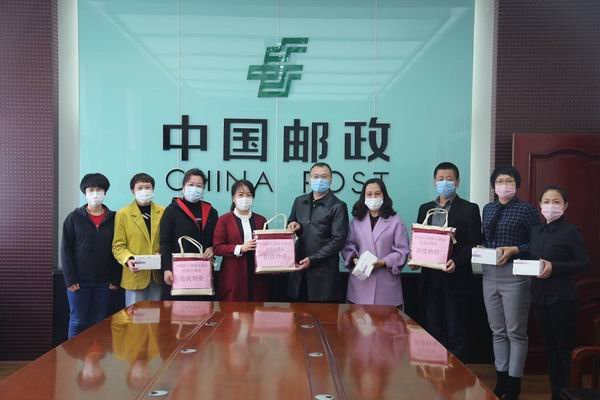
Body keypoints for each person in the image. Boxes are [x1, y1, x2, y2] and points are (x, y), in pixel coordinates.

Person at [482, 165, 540, 400]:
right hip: (489, 273)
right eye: (499, 181)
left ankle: (514, 384)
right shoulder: (488, 209)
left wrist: (515, 249)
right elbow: (487, 239)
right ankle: (501, 380)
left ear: (517, 185)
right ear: (493, 186)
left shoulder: (526, 210)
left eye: (509, 181)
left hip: (515, 274)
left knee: (515, 332)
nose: (504, 185)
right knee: (497, 330)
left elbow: (537, 243)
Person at [414, 162, 481, 362]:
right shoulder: (425, 208)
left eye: (449, 179)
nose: (445, 183)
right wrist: (416, 258)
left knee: (456, 329)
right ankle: (436, 371)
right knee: (433, 328)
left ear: (457, 182)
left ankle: (456, 373)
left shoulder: (469, 209)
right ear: (434, 182)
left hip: (456, 278)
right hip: (430, 278)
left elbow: (473, 242)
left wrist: (456, 262)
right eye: (441, 179)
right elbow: (420, 239)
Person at [528, 185, 590, 400]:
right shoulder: (536, 231)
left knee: (565, 350)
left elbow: (584, 263)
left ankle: (569, 394)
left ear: (565, 206)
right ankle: (556, 393)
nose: (550, 206)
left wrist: (555, 267)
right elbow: (532, 258)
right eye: (546, 201)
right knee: (550, 350)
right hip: (539, 297)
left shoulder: (571, 231)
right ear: (540, 205)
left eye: (556, 202)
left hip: (562, 298)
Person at [61, 173, 121, 338]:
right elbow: (66, 250)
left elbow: (119, 248)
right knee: (77, 321)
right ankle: (74, 355)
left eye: (99, 189)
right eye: (91, 190)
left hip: (105, 282)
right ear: (85, 193)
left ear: (105, 192)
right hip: (79, 282)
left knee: (99, 322)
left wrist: (116, 278)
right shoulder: (73, 218)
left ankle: (95, 355)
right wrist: (70, 280)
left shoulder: (115, 218)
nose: (95, 194)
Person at [341, 178, 409, 307]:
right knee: (357, 319)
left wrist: (384, 262)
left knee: (386, 320)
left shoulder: (396, 221)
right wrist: (354, 259)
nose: (373, 197)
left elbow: (402, 251)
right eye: (369, 194)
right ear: (364, 197)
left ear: (384, 195)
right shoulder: (356, 221)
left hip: (386, 284)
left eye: (377, 194)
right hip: (360, 283)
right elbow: (347, 246)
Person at [287, 162, 349, 302]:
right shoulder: (299, 201)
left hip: (324, 276)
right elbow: (291, 222)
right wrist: (292, 225)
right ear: (309, 179)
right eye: (315, 176)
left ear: (331, 179)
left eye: (324, 176)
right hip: (298, 271)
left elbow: (338, 240)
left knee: (322, 315)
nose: (319, 180)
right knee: (296, 314)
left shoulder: (338, 206)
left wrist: (312, 259)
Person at [159, 168, 218, 299]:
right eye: (191, 184)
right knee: (179, 309)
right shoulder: (171, 211)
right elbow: (165, 242)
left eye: (199, 186)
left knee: (204, 308)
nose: (194, 188)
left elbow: (217, 238)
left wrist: (213, 248)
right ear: (183, 187)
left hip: (203, 272)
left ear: (203, 189)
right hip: (179, 272)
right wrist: (167, 268)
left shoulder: (211, 212)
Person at [112, 173, 164, 307]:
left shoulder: (163, 212)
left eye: (148, 187)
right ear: (132, 191)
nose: (144, 191)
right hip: (135, 274)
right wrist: (128, 259)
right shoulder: (123, 214)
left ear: (153, 189)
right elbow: (118, 246)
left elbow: (167, 240)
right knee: (135, 316)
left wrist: (163, 253)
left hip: (157, 275)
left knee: (157, 316)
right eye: (140, 188)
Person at [213, 180, 269, 301]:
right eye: (241, 195)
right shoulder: (224, 220)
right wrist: (240, 248)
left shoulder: (261, 220)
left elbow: (267, 247)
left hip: (257, 275)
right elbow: (217, 248)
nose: (245, 198)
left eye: (249, 195)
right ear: (233, 198)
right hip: (233, 274)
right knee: (233, 310)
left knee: (257, 307)